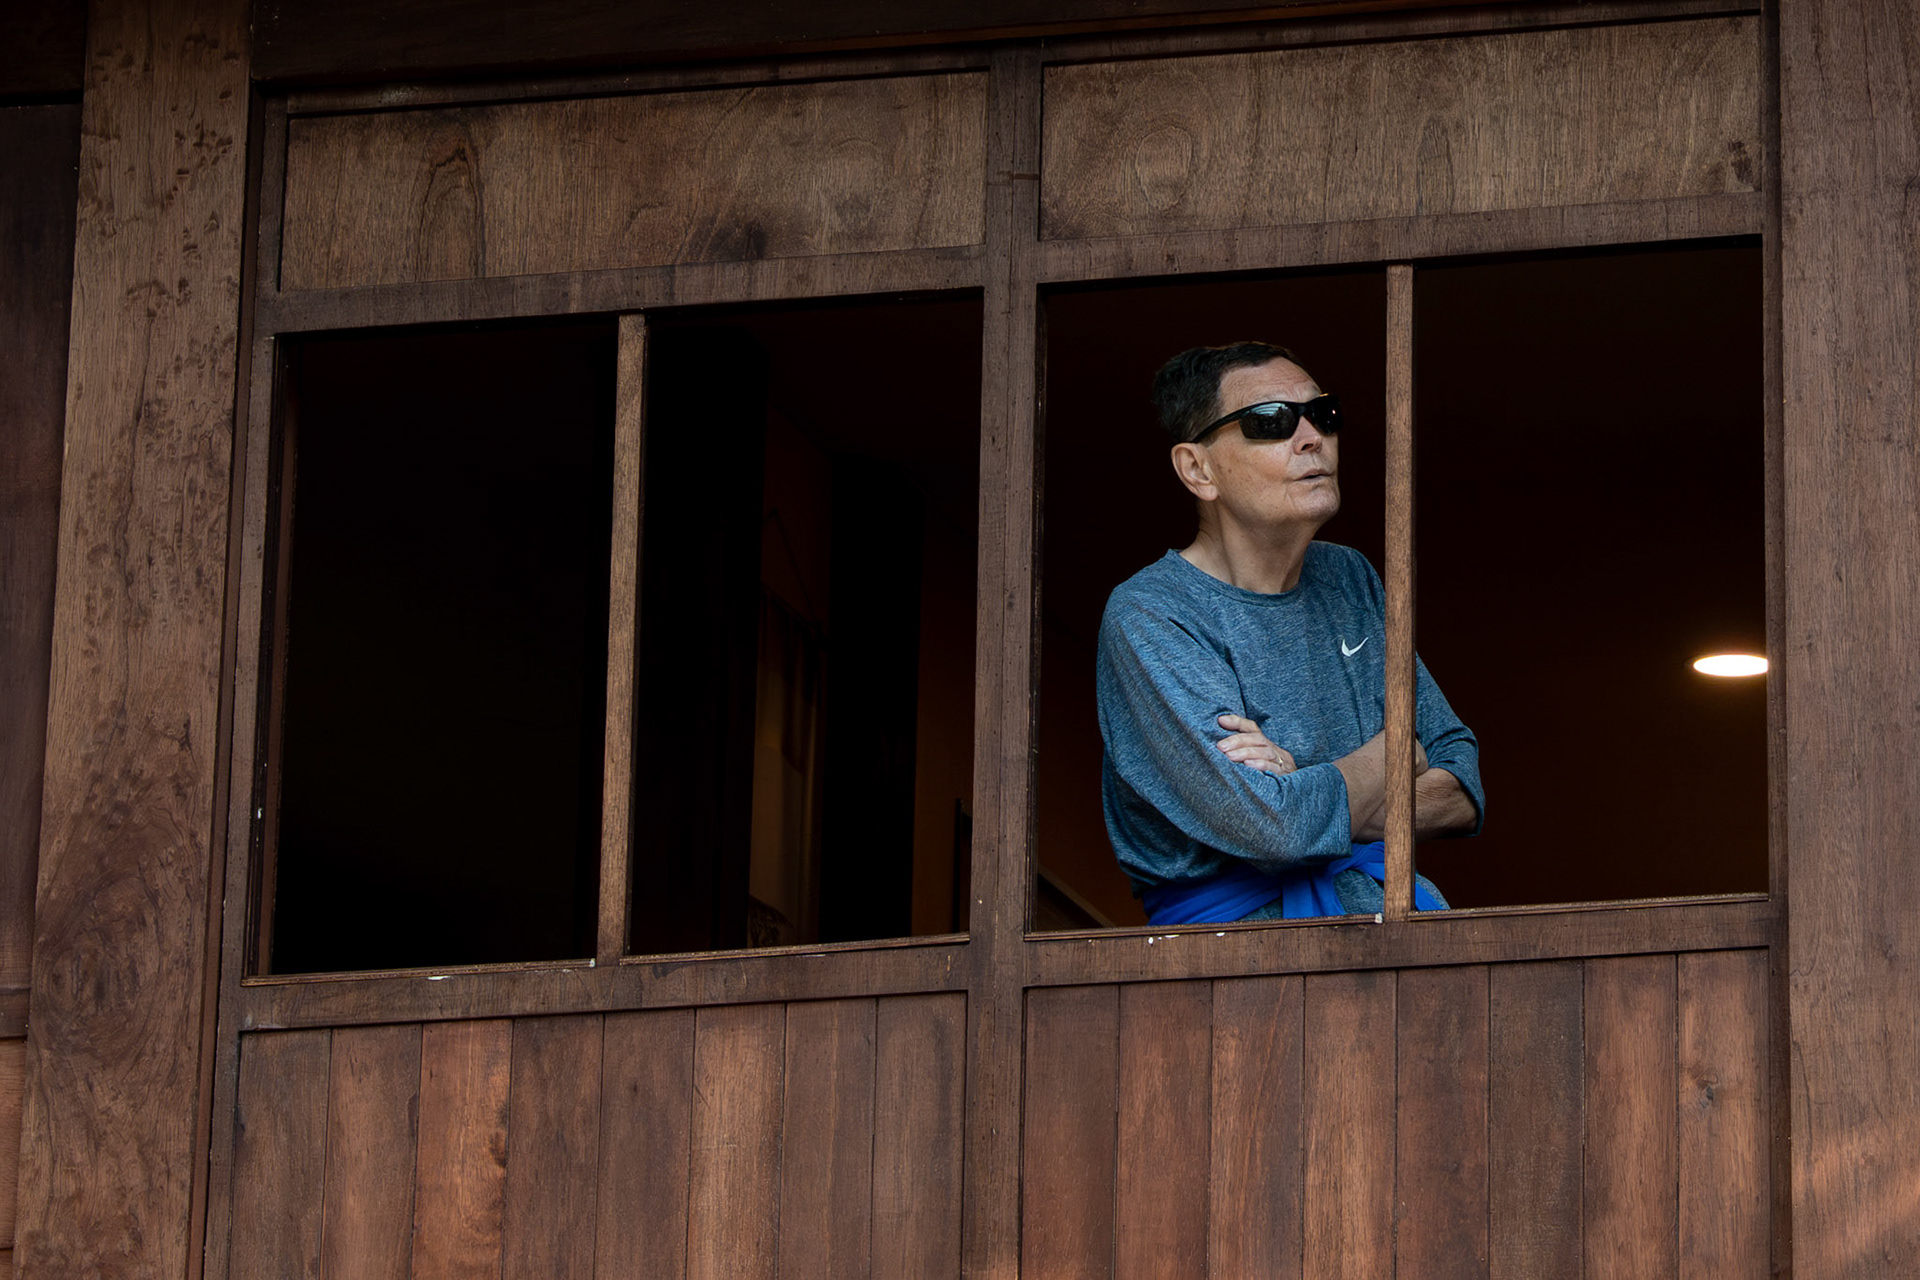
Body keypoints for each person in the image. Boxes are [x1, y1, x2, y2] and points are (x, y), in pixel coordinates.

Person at [1096, 341, 1483, 922]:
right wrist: (1398, 751)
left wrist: (1299, 781)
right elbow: (1272, 829)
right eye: (1271, 421)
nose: (1311, 438)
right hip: (1242, 960)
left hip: (1401, 933)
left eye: (1323, 414)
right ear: (1197, 469)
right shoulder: (1152, 612)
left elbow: (1462, 788)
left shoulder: (1349, 576)